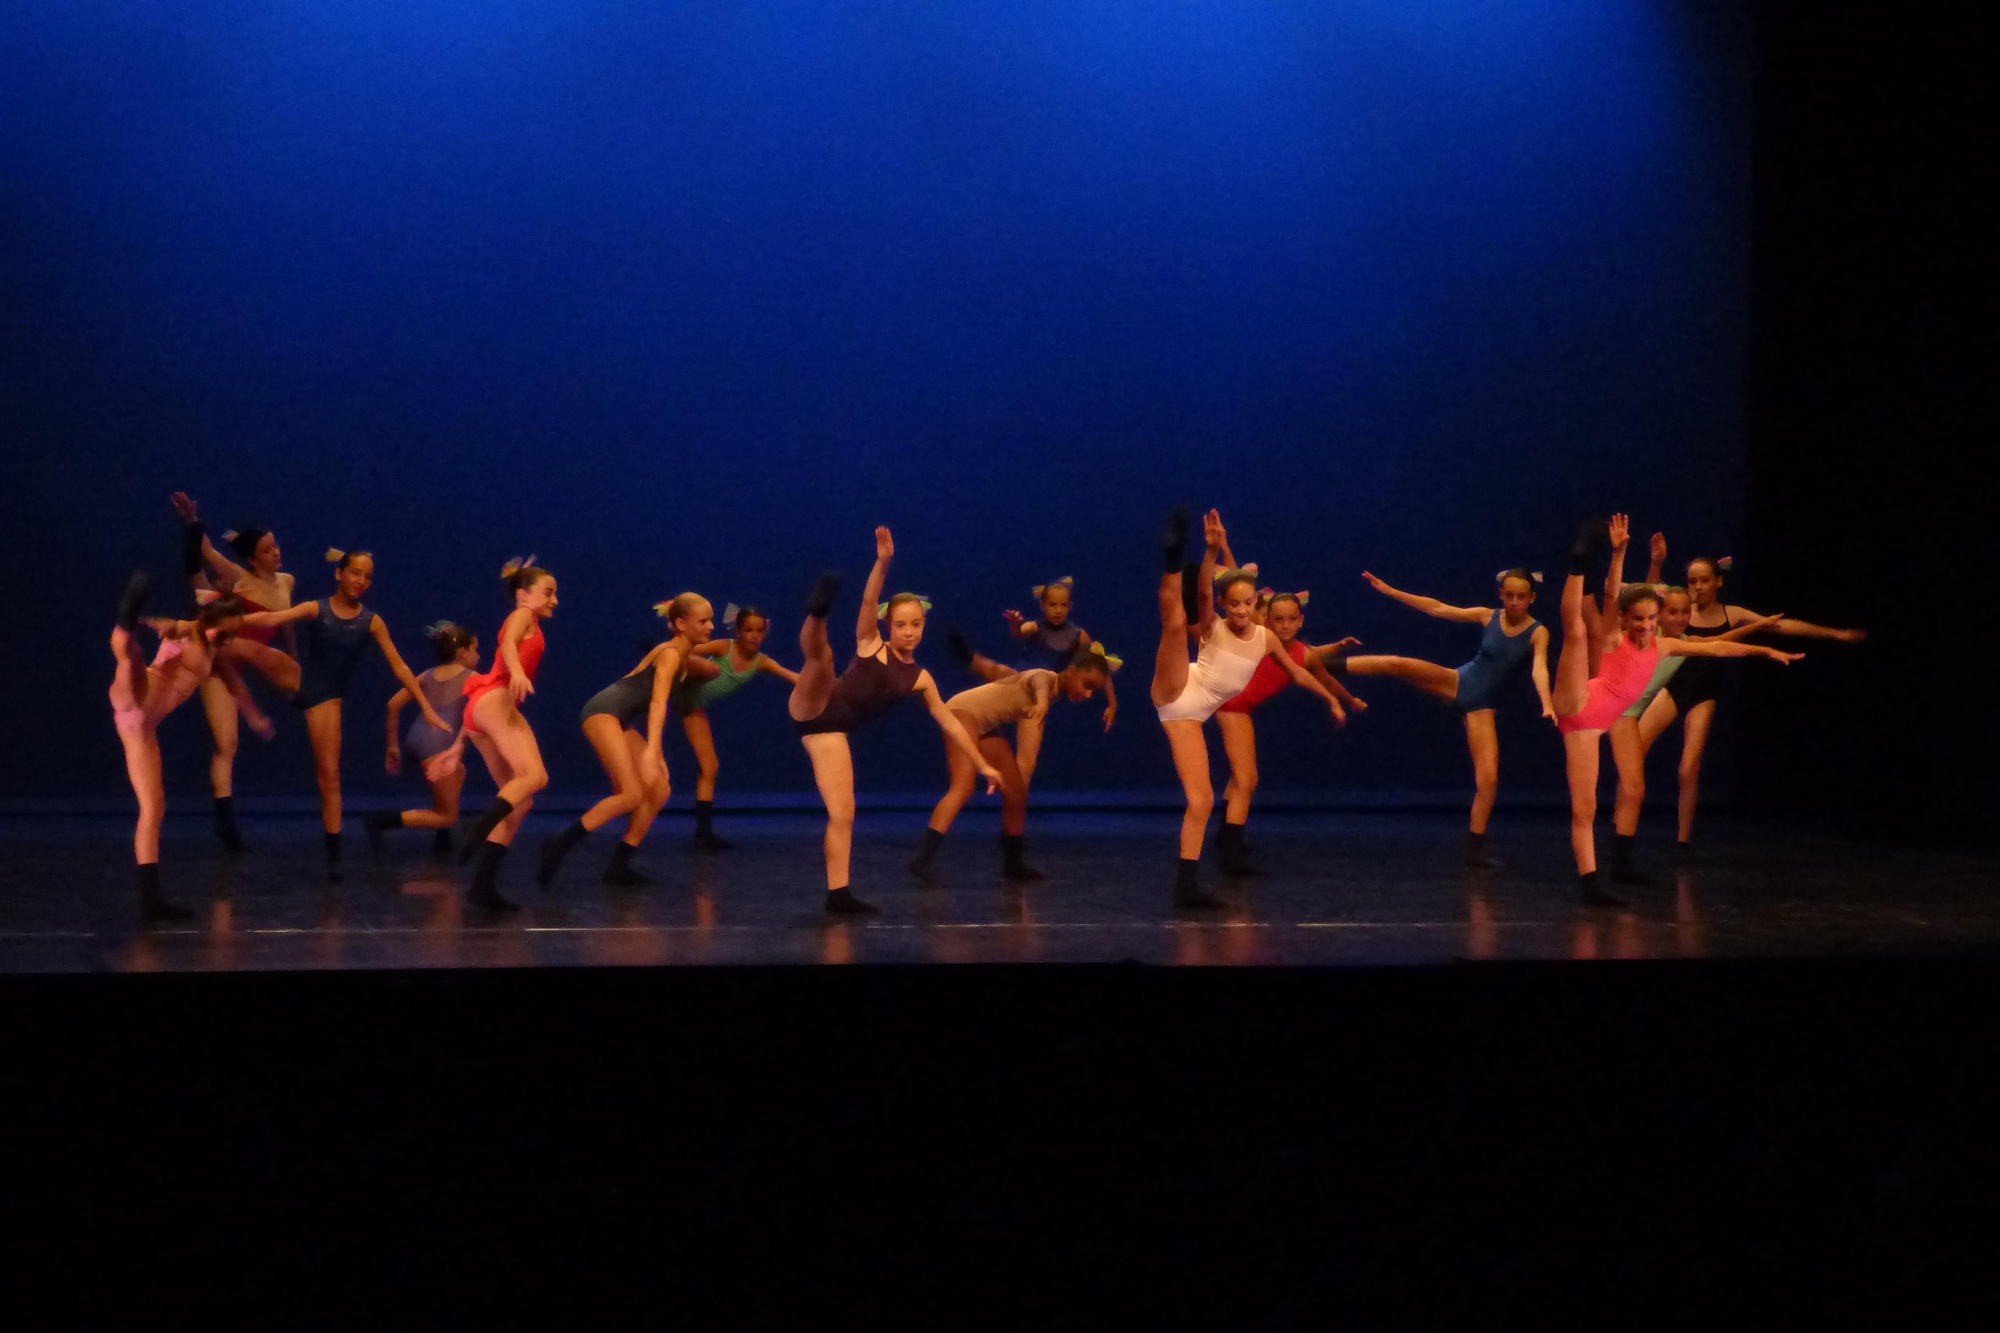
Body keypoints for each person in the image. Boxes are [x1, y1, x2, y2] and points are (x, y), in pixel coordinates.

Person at [1551, 517, 1802, 905]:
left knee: (1586, 807)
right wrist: (1617, 553)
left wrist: (1765, 649)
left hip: (1596, 724)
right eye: (1640, 620)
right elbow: (1614, 598)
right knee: (1577, 632)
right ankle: (1578, 564)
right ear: (1625, 621)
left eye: (1653, 620)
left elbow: (1716, 647)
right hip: (1582, 705)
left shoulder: (1664, 646)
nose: (1648, 627)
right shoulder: (1616, 635)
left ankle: (1591, 885)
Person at [789, 527, 1002, 915]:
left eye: (915, 624)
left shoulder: (920, 679)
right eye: (900, 624)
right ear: (889, 626)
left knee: (844, 813)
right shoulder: (871, 643)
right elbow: (870, 599)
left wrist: (982, 763)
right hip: (814, 702)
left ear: (923, 626)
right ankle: (817, 612)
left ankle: (838, 895)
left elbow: (951, 724)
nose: (908, 631)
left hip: (830, 732)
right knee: (822, 660)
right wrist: (883, 561)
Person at [1152, 508, 1347, 910]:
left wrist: (1331, 698)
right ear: (1225, 605)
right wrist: (1210, 552)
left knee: (1203, 800)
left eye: (1247, 603)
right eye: (1234, 604)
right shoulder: (1214, 626)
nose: (1241, 611)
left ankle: (1184, 887)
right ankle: (1172, 560)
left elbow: (1297, 673)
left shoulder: (1265, 639)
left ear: (1256, 602)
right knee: (1175, 624)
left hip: (1189, 716)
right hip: (1178, 688)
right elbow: (1205, 592)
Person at [237, 549, 449, 880]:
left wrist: (424, 705)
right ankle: (200, 629)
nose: (361, 581)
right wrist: (233, 621)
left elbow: (399, 666)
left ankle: (334, 853)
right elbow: (271, 619)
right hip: (300, 679)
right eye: (355, 573)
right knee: (247, 647)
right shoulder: (316, 608)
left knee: (329, 776)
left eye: (367, 576)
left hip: (326, 699)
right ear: (340, 574)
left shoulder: (371, 622)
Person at [1328, 568, 1553, 866]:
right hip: (1459, 682)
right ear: (1501, 594)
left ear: (1532, 598)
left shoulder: (1538, 632)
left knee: (1488, 780)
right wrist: (1392, 592)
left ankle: (1474, 851)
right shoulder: (1489, 616)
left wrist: (1547, 703)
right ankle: (1322, 664)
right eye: (1509, 595)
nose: (1514, 602)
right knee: (1397, 664)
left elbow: (1540, 667)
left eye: (1521, 597)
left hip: (1482, 706)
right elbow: (1438, 608)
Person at [908, 632, 1117, 882]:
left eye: (1093, 690)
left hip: (983, 723)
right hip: (961, 713)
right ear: (1071, 671)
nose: (1087, 694)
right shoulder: (1045, 679)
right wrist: (1040, 702)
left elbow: (999, 674)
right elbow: (1038, 682)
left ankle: (1013, 864)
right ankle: (922, 859)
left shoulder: (1052, 691)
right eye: (1087, 685)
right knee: (963, 786)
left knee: (1017, 792)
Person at [536, 593, 713, 887]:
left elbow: (711, 668)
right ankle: (559, 843)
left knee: (660, 790)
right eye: (703, 621)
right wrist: (653, 751)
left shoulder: (681, 656)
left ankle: (619, 865)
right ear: (680, 624)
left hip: (620, 717)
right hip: (603, 712)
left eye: (710, 620)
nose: (710, 626)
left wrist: (717, 666)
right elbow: (658, 703)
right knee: (630, 793)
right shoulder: (669, 653)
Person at [107, 573, 252, 921]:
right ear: (207, 620)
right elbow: (177, 628)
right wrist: (167, 627)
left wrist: (253, 715)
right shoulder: (190, 630)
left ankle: (151, 901)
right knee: (132, 658)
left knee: (154, 808)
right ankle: (126, 619)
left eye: (231, 631)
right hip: (137, 699)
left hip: (142, 727)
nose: (225, 636)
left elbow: (231, 676)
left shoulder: (214, 645)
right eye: (222, 629)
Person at [170, 493, 304, 849]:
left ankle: (302, 693)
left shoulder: (287, 581)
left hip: (255, 655)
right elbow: (205, 554)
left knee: (275, 663)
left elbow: (287, 621)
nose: (276, 553)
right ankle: (225, 820)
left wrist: (293, 654)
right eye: (267, 550)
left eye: (276, 546)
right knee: (227, 742)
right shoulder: (240, 579)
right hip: (221, 663)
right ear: (250, 559)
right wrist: (192, 522)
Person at [425, 559, 559, 911]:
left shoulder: (525, 618)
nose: (554, 600)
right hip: (496, 701)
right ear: (523, 595)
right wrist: (516, 673)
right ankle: (479, 827)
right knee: (535, 776)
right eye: (548, 593)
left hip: (480, 710)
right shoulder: (522, 615)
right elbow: (510, 648)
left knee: (520, 799)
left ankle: (482, 886)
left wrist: (458, 746)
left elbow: (498, 661)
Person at [1212, 590, 1363, 875]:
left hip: (1240, 709)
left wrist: (1346, 700)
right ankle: (1230, 859)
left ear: (1301, 621)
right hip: (1228, 705)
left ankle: (1225, 838)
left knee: (1239, 776)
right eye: (1278, 619)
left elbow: (1322, 678)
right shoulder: (1257, 636)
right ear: (1266, 621)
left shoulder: (1303, 655)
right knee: (1247, 779)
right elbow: (1237, 592)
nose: (1285, 625)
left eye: (1292, 619)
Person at [675, 604, 800, 850]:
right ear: (738, 632)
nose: (754, 636)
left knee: (710, 766)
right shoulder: (725, 647)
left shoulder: (762, 662)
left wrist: (828, 685)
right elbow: (686, 649)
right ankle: (661, 673)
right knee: (701, 664)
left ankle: (703, 833)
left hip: (692, 707)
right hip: (682, 690)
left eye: (759, 631)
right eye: (748, 630)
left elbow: (794, 677)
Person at [365, 622, 480, 858]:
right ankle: (382, 821)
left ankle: (443, 839)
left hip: (416, 739)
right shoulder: (473, 678)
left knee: (459, 771)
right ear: (462, 653)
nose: (478, 656)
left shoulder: (427, 675)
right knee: (448, 816)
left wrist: (392, 746)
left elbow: (393, 705)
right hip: (436, 745)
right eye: (475, 650)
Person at [1001, 577, 1119, 731]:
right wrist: (1016, 625)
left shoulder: (1077, 634)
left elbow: (1101, 665)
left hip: (1049, 695)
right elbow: (1019, 633)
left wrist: (1112, 703)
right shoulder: (1036, 627)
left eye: (1063, 605)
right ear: (1042, 605)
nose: (1058, 610)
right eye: (1052, 605)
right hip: (1022, 684)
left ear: (1070, 607)